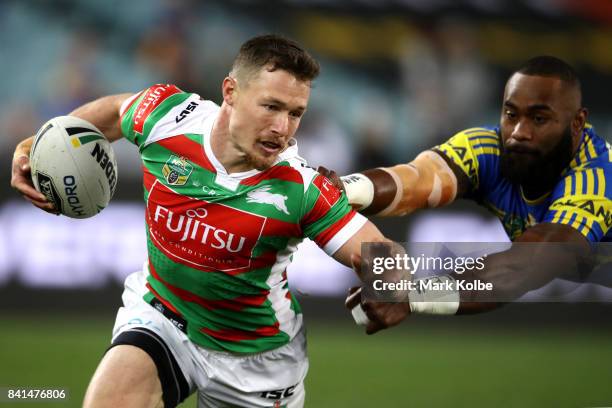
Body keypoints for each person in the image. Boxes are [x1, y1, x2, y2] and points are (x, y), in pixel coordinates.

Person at [10, 35, 405, 408]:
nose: (282, 129)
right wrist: (40, 144)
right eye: (271, 107)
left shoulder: (300, 189)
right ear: (230, 92)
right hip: (162, 316)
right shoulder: (165, 115)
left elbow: (379, 252)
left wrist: (393, 285)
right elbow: (113, 113)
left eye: (295, 114)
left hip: (255, 366)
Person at [331, 56, 611, 319]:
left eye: (539, 119)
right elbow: (417, 179)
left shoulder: (596, 178)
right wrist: (342, 190)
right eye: (511, 114)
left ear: (577, 123)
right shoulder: (489, 149)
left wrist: (413, 296)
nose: (518, 132)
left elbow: (523, 267)